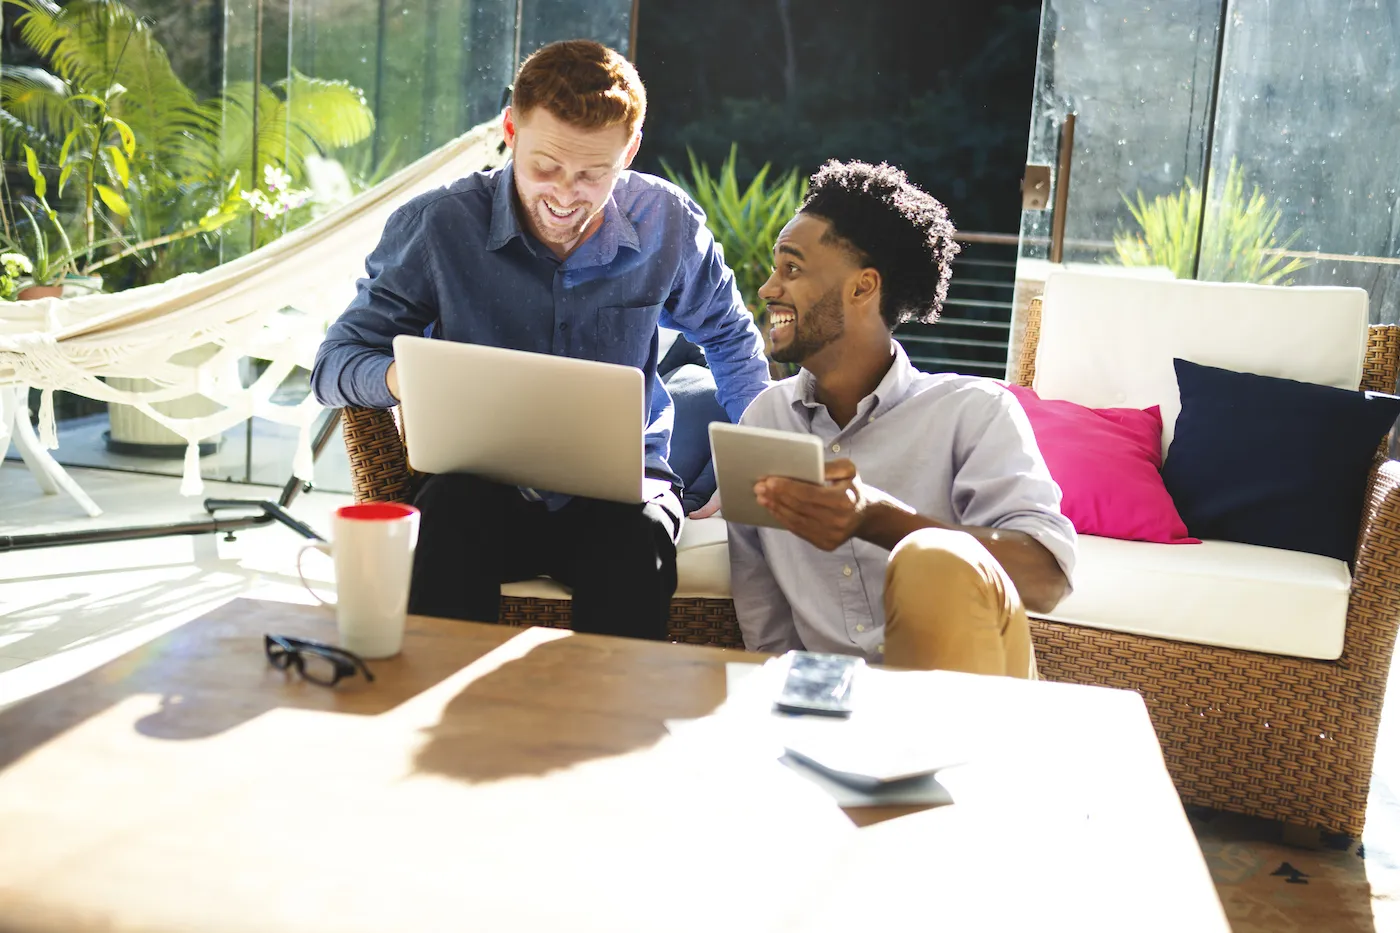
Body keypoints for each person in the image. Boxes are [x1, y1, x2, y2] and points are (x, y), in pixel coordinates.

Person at [311, 40, 770, 640]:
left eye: (592, 174)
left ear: (629, 151)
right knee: (447, 521)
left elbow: (732, 338)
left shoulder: (669, 225)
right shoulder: (438, 226)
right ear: (511, 132)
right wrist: (406, 379)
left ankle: (601, 728)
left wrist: (750, 467)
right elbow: (333, 366)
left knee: (635, 551)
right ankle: (434, 723)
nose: (563, 194)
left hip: (623, 495)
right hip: (476, 493)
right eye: (546, 166)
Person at [728, 160, 1076, 678]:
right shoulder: (764, 422)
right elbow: (764, 614)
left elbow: (1047, 579)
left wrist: (878, 519)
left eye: (792, 269)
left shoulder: (973, 410)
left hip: (969, 705)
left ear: (863, 288)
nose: (769, 289)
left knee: (931, 557)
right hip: (831, 711)